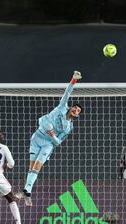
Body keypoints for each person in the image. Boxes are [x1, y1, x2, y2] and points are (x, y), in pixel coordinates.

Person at [17, 71, 83, 206]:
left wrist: (51, 133)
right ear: (71, 108)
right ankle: (27, 193)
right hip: (36, 138)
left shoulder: (68, 128)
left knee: (37, 167)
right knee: (31, 167)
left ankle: (26, 191)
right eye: (75, 107)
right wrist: (73, 80)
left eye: (78, 111)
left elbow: (58, 142)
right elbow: (67, 93)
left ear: (77, 116)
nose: (75, 109)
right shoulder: (61, 107)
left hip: (48, 144)